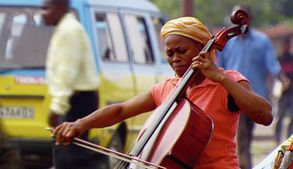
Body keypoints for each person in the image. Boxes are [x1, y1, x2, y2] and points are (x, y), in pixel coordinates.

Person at [52, 16, 273, 169]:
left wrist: (220, 77)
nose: (174, 58)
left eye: (181, 51)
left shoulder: (228, 82)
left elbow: (264, 115)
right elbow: (120, 111)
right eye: (169, 53)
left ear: (203, 49)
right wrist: (80, 124)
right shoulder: (167, 88)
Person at [217, 5, 290, 169]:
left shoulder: (262, 41)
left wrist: (283, 79)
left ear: (249, 19)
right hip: (234, 95)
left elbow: (272, 64)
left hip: (257, 95)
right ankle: (244, 165)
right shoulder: (228, 41)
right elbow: (220, 67)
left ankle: (242, 162)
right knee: (241, 134)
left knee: (246, 135)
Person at [41, 0, 100, 168]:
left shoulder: (68, 31)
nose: (42, 13)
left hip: (77, 100)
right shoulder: (64, 28)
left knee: (70, 157)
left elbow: (67, 73)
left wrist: (57, 109)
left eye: (46, 8)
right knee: (70, 153)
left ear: (60, 8)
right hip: (77, 99)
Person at [274, 37, 293, 144]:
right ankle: (277, 139)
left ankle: (289, 139)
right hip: (282, 93)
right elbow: (274, 73)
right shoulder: (278, 59)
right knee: (280, 117)